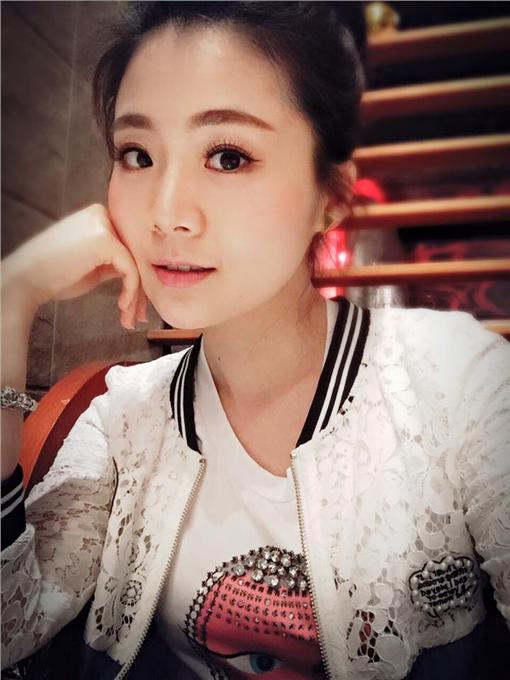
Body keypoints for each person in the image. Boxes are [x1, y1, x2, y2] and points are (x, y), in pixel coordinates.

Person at [1, 2, 509, 679]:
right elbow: (9, 626)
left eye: (228, 156)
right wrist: (11, 297)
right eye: (138, 154)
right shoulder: (125, 415)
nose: (166, 214)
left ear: (330, 196)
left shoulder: (460, 381)